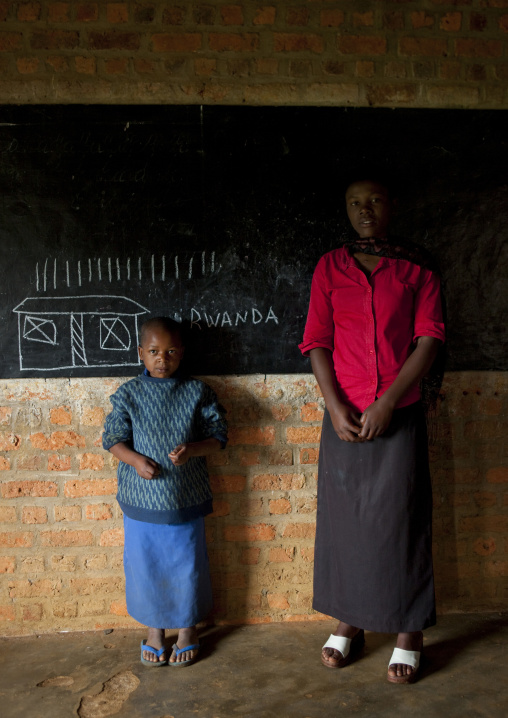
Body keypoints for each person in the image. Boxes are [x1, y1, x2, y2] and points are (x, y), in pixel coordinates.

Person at [299, 177, 445, 684]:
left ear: (392, 205)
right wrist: (334, 406)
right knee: (346, 523)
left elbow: (428, 340)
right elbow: (316, 340)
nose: (366, 210)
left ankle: (408, 631)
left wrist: (388, 402)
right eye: (355, 203)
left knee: (401, 521)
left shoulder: (418, 268)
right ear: (345, 210)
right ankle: (350, 619)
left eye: (376, 200)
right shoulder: (330, 267)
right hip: (343, 416)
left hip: (397, 412)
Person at [102, 316, 227, 667]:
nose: (163, 359)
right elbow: (111, 439)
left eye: (171, 351)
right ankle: (155, 631)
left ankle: (188, 630)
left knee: (187, 564)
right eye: (154, 351)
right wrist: (135, 460)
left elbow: (219, 437)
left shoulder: (196, 392)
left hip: (185, 497)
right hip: (141, 501)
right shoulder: (128, 394)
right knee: (145, 566)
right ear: (140, 352)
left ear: (182, 353)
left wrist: (192, 451)